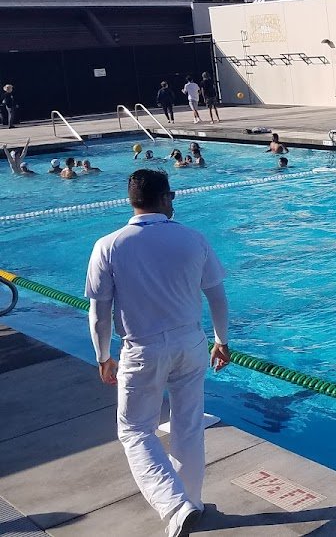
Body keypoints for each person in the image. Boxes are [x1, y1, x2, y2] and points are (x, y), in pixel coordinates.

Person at [85, 169, 230, 537]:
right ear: (166, 198)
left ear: (132, 201)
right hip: (191, 343)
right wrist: (222, 341)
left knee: (135, 431)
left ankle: (175, 504)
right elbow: (216, 295)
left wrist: (103, 356)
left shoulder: (109, 245)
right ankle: (189, 502)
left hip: (141, 349)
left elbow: (100, 312)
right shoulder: (193, 239)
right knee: (188, 425)